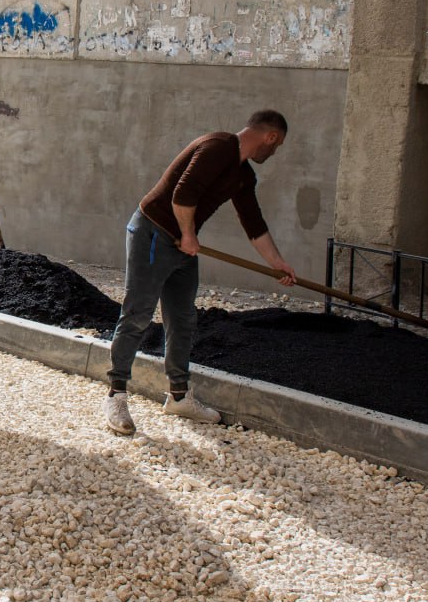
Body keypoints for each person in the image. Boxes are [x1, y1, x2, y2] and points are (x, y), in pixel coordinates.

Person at [103, 109, 297, 435]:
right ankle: (116, 394)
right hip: (153, 232)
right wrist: (190, 234)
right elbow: (182, 195)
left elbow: (254, 224)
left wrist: (276, 263)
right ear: (271, 136)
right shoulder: (218, 146)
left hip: (182, 242)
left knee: (182, 319)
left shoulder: (243, 175)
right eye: (277, 146)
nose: (274, 152)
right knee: (138, 313)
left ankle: (179, 396)